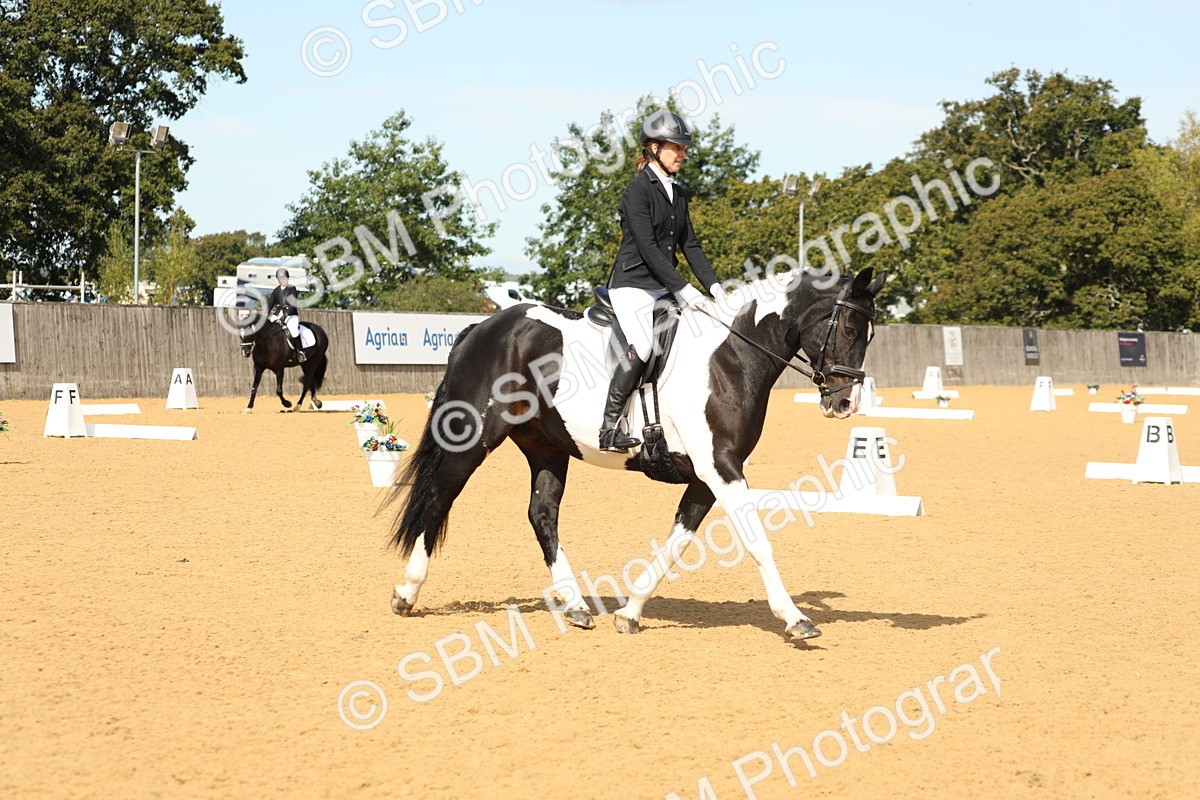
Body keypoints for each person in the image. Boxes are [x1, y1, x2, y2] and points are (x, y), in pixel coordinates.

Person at [599, 109, 725, 452]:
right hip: (632, 284)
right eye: (676, 148)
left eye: (684, 149)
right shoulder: (636, 191)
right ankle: (609, 427)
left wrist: (715, 288)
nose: (682, 154)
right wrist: (685, 290)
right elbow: (649, 249)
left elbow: (691, 245)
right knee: (642, 344)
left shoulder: (679, 194)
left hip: (664, 287)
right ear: (653, 148)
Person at [267, 267, 306, 362]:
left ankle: (300, 352)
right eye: (280, 279)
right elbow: (270, 303)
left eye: (284, 278)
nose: (282, 280)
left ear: (287, 278)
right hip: (278, 313)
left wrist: (284, 317)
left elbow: (293, 305)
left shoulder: (292, 289)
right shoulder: (276, 290)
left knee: (294, 331)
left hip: (291, 314)